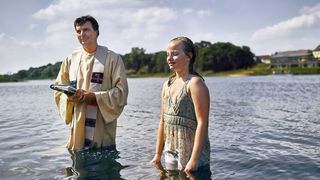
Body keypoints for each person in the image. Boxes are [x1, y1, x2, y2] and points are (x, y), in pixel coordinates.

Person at [54, 15, 128, 151]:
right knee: (79, 165)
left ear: (96, 32)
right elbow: (59, 91)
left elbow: (121, 92)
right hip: (78, 125)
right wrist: (69, 97)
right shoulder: (70, 59)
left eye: (86, 30)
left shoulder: (112, 58)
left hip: (101, 127)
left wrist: (94, 97)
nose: (82, 34)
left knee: (104, 167)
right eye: (78, 31)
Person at [151, 36, 211, 174]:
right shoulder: (167, 84)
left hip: (191, 155)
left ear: (189, 56)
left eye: (175, 53)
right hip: (170, 152)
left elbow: (203, 123)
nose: (169, 58)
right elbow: (163, 121)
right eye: (168, 54)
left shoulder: (195, 83)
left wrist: (194, 160)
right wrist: (157, 154)